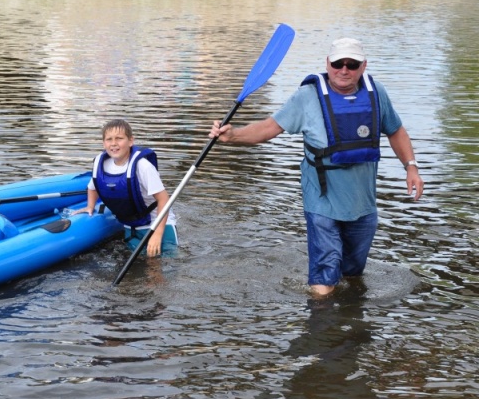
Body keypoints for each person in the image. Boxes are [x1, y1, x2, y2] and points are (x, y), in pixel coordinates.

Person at [209, 37, 424, 298]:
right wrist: (233, 136)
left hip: (362, 202)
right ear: (327, 63)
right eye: (338, 63)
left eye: (352, 64)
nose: (344, 70)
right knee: (325, 274)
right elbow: (269, 129)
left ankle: (347, 321)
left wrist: (411, 167)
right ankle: (321, 327)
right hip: (321, 199)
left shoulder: (376, 93)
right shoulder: (307, 97)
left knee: (353, 273)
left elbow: (396, 131)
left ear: (363, 66)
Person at [76, 119, 178, 257]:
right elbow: (92, 187)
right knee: (140, 268)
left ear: (130, 141)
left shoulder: (143, 166)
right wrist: (90, 206)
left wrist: (157, 234)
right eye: (109, 139)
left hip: (158, 225)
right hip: (131, 228)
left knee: (157, 272)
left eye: (119, 138)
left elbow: (164, 199)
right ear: (103, 143)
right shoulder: (100, 164)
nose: (113, 143)